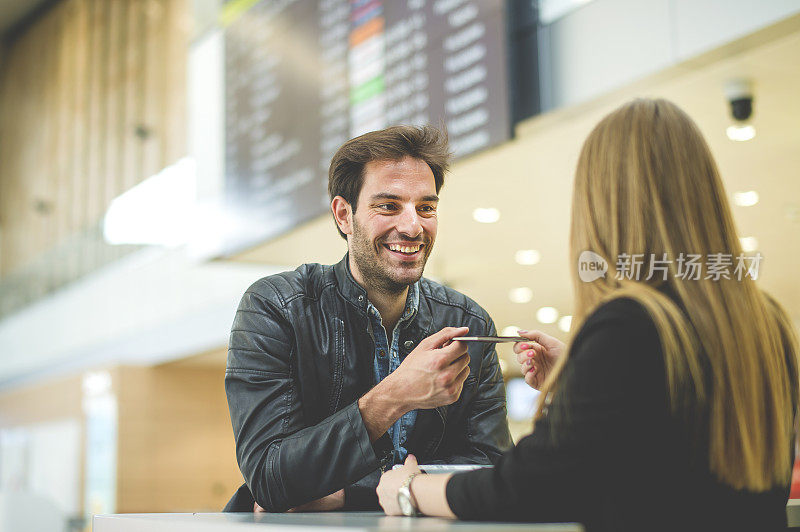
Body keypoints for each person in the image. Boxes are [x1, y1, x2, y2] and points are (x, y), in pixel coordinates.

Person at [377, 99, 799, 531]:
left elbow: (534, 483)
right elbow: (665, 449)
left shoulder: (630, 323)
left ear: (604, 201)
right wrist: (583, 379)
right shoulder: (767, 323)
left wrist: (412, 488)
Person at [224, 125, 513, 513]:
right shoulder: (277, 307)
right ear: (344, 215)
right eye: (388, 206)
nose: (413, 226)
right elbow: (271, 476)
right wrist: (395, 396)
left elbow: (490, 468)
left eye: (426, 207)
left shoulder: (469, 322)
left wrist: (347, 493)